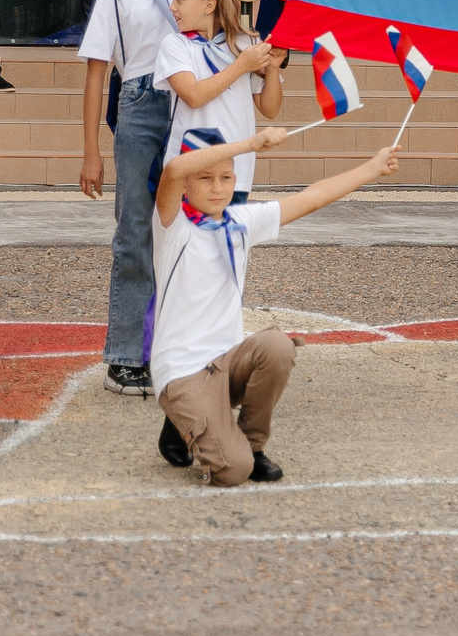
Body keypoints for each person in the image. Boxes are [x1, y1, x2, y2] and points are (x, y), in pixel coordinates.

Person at [151, 128, 402, 485]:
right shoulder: (171, 226)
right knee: (233, 473)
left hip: (227, 359)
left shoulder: (238, 223)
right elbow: (174, 168)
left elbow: (313, 197)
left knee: (277, 346)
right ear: (188, 185)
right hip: (183, 370)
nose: (218, 187)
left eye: (226, 177)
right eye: (205, 178)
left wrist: (373, 168)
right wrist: (251, 144)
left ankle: (252, 446)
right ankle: (186, 421)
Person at [78, 0, 190, 396]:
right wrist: (90, 151)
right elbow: (97, 78)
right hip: (140, 108)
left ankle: (182, 346)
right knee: (134, 233)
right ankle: (125, 355)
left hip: (189, 104)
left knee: (189, 229)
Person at [157, 0, 286, 200]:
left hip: (235, 168)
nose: (172, 7)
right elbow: (193, 96)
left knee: (229, 239)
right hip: (190, 164)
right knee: (190, 238)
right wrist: (241, 66)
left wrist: (272, 68)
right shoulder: (175, 45)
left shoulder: (245, 42)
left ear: (208, 6)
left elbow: (269, 109)